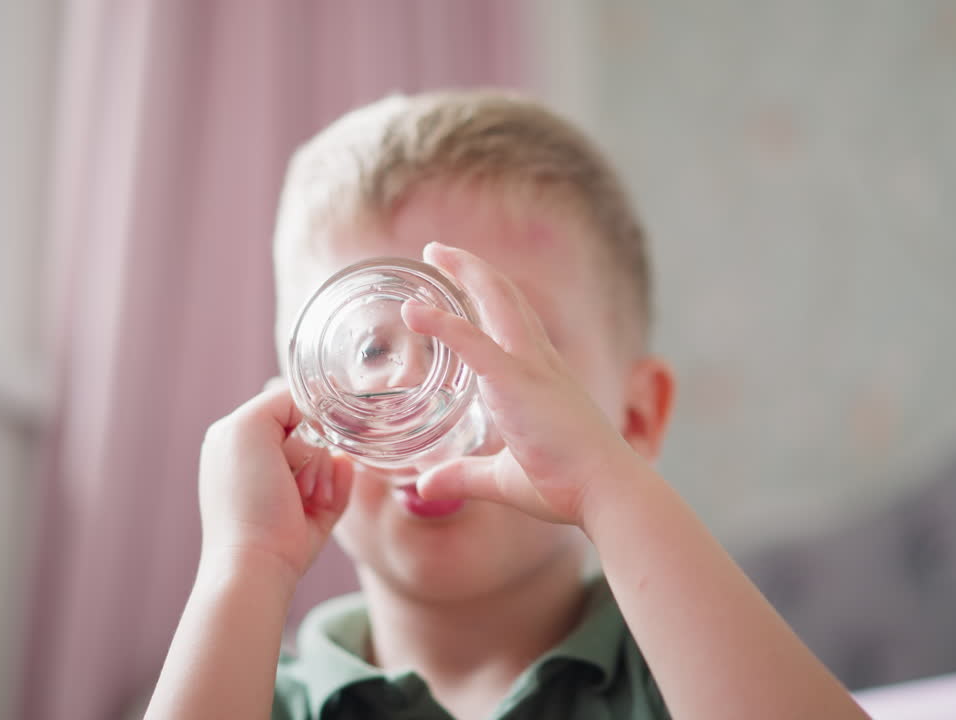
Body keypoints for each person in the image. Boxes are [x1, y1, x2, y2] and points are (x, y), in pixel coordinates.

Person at [146, 90, 868, 719]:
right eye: (369, 351)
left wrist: (605, 486)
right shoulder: (248, 696)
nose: (433, 397)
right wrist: (244, 564)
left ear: (635, 416)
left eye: (506, 339)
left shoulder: (693, 677)